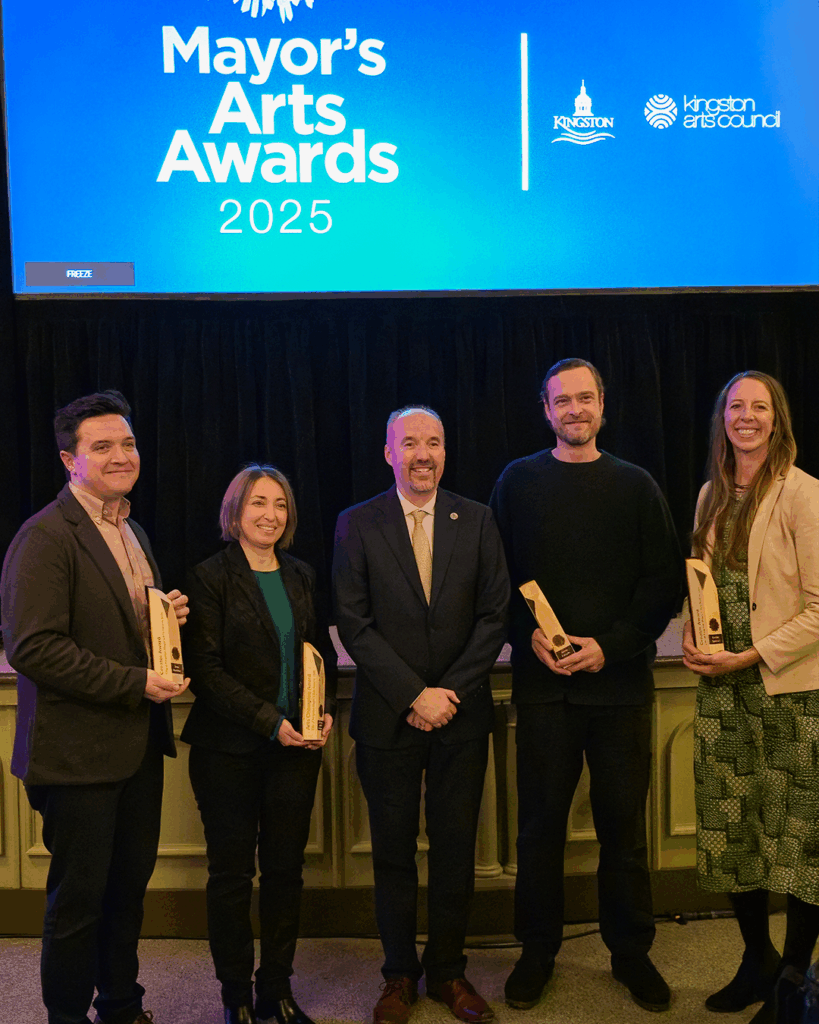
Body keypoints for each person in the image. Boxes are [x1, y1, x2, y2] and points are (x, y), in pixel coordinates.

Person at [490, 358, 682, 1014]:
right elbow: (495, 576)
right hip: (545, 691)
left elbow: (661, 582)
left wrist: (612, 646)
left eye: (584, 398)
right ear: (545, 410)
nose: (574, 409)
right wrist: (527, 636)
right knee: (538, 831)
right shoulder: (516, 482)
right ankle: (536, 951)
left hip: (620, 691)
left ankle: (630, 953)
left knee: (623, 832)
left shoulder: (636, 485)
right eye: (562, 400)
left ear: (602, 405)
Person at [0, 390, 189, 1024]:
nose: (120, 456)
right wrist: (135, 682)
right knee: (79, 903)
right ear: (68, 459)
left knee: (125, 894)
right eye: (101, 446)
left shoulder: (131, 530)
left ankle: (121, 1005)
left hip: (135, 747)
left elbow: (111, 629)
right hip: (77, 754)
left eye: (127, 443)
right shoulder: (46, 535)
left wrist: (160, 619)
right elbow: (34, 648)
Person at [332, 406, 509, 1024]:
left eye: (434, 442)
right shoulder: (356, 523)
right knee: (393, 853)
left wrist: (446, 694)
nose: (424, 454)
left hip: (461, 717)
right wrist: (414, 695)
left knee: (456, 849)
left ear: (445, 452)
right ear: (389, 454)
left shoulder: (478, 519)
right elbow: (353, 622)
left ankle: (449, 972)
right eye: (410, 443)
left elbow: (494, 615)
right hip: (388, 718)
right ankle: (399, 975)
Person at [682, 371, 819, 1024]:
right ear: (722, 418)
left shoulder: (803, 493)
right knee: (731, 832)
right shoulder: (710, 494)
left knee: (799, 840)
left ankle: (793, 977)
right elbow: (703, 584)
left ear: (777, 419)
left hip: (788, 694)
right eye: (735, 406)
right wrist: (693, 630)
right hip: (723, 693)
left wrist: (751, 653)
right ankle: (755, 959)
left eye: (759, 407)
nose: (746, 417)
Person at [181, 465, 337, 1024]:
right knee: (231, 878)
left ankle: (276, 987)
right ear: (235, 511)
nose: (270, 515)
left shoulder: (301, 574)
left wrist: (322, 709)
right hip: (228, 750)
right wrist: (271, 721)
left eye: (279, 504)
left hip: (296, 750)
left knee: (285, 872)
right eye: (258, 503)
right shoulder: (208, 577)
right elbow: (205, 670)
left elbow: (319, 652)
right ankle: (236, 998)